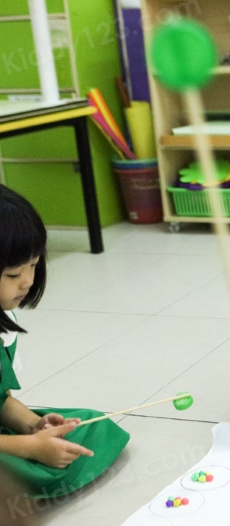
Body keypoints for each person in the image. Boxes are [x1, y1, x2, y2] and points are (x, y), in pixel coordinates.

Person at [0, 185, 129, 498]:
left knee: (89, 426)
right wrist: (28, 447)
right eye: (15, 273)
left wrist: (32, 425)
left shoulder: (6, 323)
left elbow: (1, 400)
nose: (28, 281)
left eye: (33, 265)